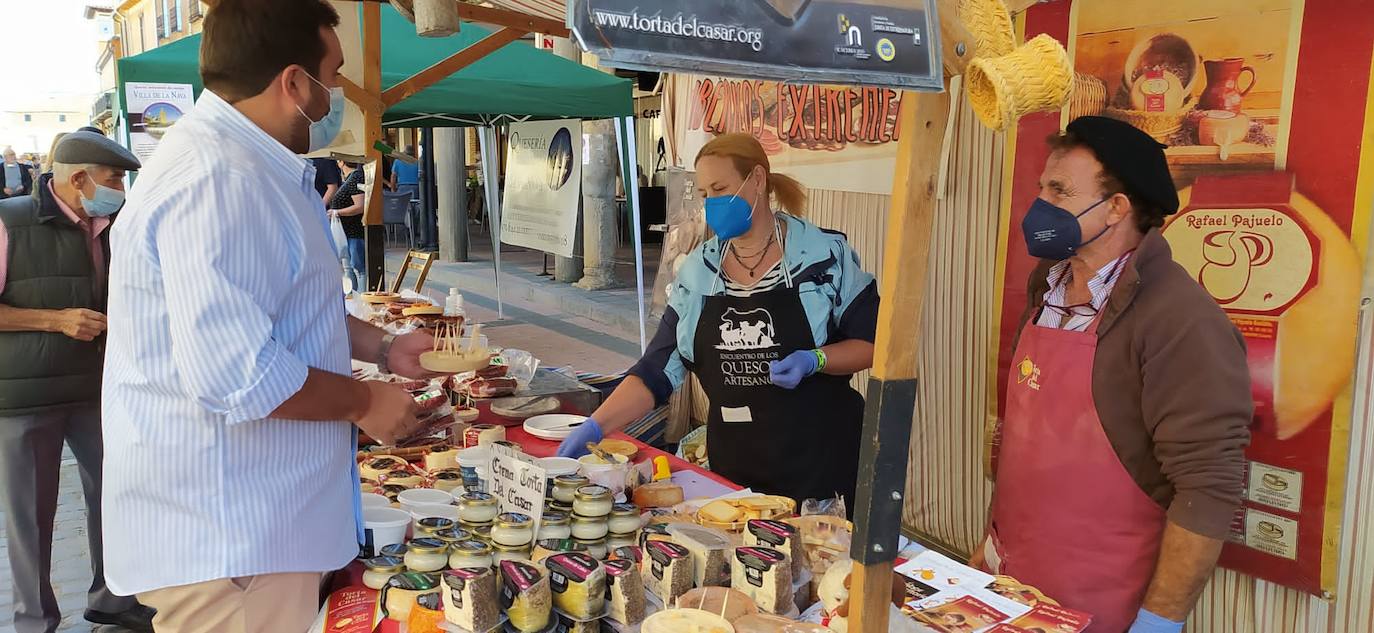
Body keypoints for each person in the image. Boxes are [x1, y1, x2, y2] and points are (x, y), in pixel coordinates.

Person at [101, 1, 437, 631]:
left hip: (255, 531)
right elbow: (239, 373)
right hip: (234, 539)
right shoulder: (218, 178)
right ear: (292, 82)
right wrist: (365, 403)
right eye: (331, 74)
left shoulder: (247, 167)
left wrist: (385, 347)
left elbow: (286, 312)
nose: (336, 91)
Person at [977, 116, 1251, 633]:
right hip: (1012, 580)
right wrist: (991, 542)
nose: (1040, 205)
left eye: (1059, 191)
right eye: (1042, 188)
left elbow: (1208, 487)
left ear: (1117, 208)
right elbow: (1022, 440)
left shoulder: (1181, 320)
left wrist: (1159, 621)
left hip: (1102, 601)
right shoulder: (1047, 288)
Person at [556, 133, 880, 509]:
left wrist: (816, 359)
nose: (712, 203)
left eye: (721, 188)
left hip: (824, 473)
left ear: (757, 180)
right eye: (706, 193)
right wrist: (596, 425)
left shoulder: (824, 256)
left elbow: (873, 344)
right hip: (735, 476)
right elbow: (657, 370)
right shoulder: (699, 272)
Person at [0, 132, 154, 633]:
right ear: (79, 178)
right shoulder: (10, 222)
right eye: (113, 179)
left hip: (99, 389)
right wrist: (54, 320)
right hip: (25, 394)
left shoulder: (114, 224)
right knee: (30, 517)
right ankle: (34, 620)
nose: (120, 188)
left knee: (115, 495)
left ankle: (112, 597)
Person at [331, 160, 367, 291]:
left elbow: (360, 206)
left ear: (341, 162)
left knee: (358, 268)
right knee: (349, 268)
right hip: (347, 231)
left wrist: (337, 212)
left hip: (354, 231)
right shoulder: (350, 179)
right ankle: (352, 297)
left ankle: (361, 296)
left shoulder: (356, 177)